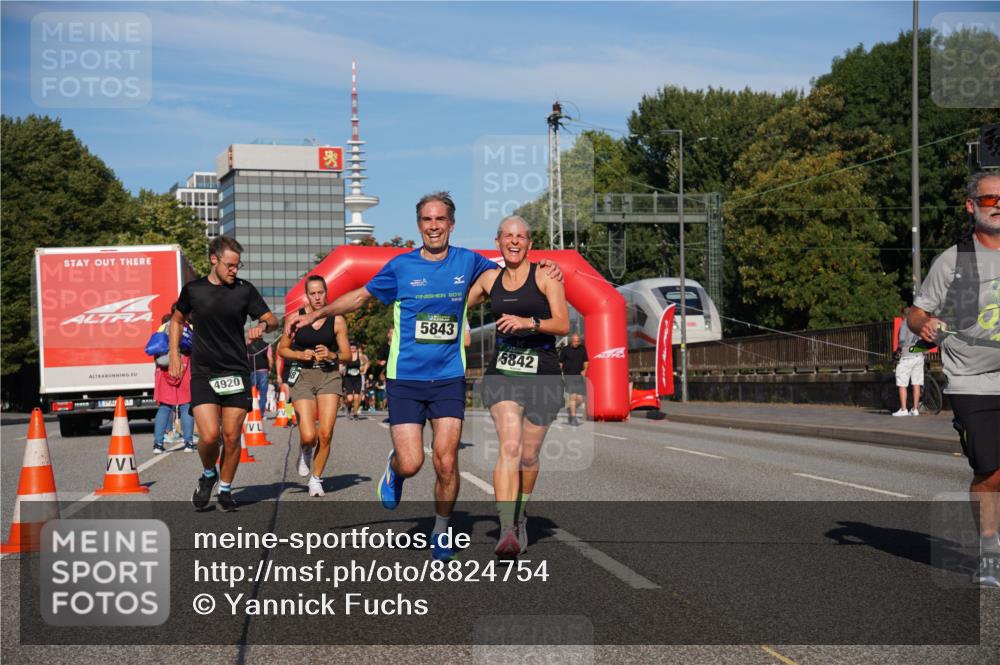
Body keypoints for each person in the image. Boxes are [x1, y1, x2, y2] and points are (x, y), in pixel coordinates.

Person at [288, 192, 562, 560]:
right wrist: (313, 316)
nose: (434, 226)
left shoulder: (469, 262)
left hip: (449, 376)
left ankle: (441, 529)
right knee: (413, 461)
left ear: (451, 224)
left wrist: (543, 264)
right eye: (427, 220)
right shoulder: (401, 267)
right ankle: (395, 470)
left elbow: (512, 273)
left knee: (447, 460)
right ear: (419, 225)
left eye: (440, 220)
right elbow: (359, 298)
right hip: (406, 378)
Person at [907, 171, 1000, 587]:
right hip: (972, 381)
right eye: (989, 199)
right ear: (970, 206)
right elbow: (917, 311)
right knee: (992, 472)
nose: (997, 205)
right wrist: (924, 325)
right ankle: (990, 551)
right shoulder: (953, 261)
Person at [467, 216, 569, 556]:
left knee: (528, 455)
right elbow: (454, 304)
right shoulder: (488, 279)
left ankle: (521, 515)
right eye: (508, 236)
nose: (514, 241)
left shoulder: (545, 275)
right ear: (497, 241)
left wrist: (529, 322)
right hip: (504, 371)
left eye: (521, 236)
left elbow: (563, 324)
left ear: (529, 242)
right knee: (509, 447)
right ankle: (507, 529)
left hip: (543, 370)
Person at [170, 236, 278, 512]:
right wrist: (174, 356)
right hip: (204, 371)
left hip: (236, 372)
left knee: (231, 436)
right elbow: (177, 320)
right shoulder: (193, 290)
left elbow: (271, 319)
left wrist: (262, 326)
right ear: (214, 260)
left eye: (237, 265)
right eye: (230, 265)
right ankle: (209, 474)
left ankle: (226, 488)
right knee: (208, 436)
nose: (234, 270)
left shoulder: (244, 290)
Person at [277, 275, 351, 497]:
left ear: (326, 293)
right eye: (313, 293)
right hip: (302, 376)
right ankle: (304, 449)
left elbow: (347, 355)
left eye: (321, 293)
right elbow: (282, 349)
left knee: (326, 433)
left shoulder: (337, 319)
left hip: (329, 376)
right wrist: (301, 354)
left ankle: (316, 478)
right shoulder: (295, 318)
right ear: (306, 296)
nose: (317, 297)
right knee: (309, 435)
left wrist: (332, 354)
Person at [153, 309, 195, 454]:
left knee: (165, 406)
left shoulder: (163, 327)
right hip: (184, 365)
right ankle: (188, 442)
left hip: (165, 367)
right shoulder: (186, 327)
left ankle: (158, 444)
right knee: (186, 405)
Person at [893, 306, 924, 417]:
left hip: (907, 356)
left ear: (904, 315)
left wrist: (899, 351)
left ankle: (903, 409)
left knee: (902, 383)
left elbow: (901, 340)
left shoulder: (905, 323)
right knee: (916, 383)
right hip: (919, 356)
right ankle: (915, 409)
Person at [559, 333, 589, 425]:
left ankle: (570, 410)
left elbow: (586, 361)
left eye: (578, 341)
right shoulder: (565, 349)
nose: (576, 343)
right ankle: (573, 418)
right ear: (571, 341)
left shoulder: (582, 348)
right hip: (569, 375)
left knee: (580, 399)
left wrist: (585, 370)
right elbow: (560, 363)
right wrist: (561, 374)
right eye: (575, 341)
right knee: (572, 396)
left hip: (579, 376)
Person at [246, 334, 273, 415]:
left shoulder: (248, 346)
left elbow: (246, 359)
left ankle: (250, 412)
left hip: (252, 371)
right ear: (262, 336)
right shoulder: (267, 345)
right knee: (263, 394)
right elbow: (270, 359)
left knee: (251, 392)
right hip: (264, 371)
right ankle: (260, 414)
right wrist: (270, 369)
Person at [343, 341, 367, 420]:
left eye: (354, 347)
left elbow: (367, 362)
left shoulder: (359, 355)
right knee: (350, 399)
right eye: (351, 347)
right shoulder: (347, 356)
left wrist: (364, 369)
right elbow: (341, 363)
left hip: (357, 379)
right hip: (348, 379)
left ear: (356, 348)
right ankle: (349, 408)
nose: (352, 348)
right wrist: (342, 369)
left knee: (356, 398)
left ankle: (355, 413)